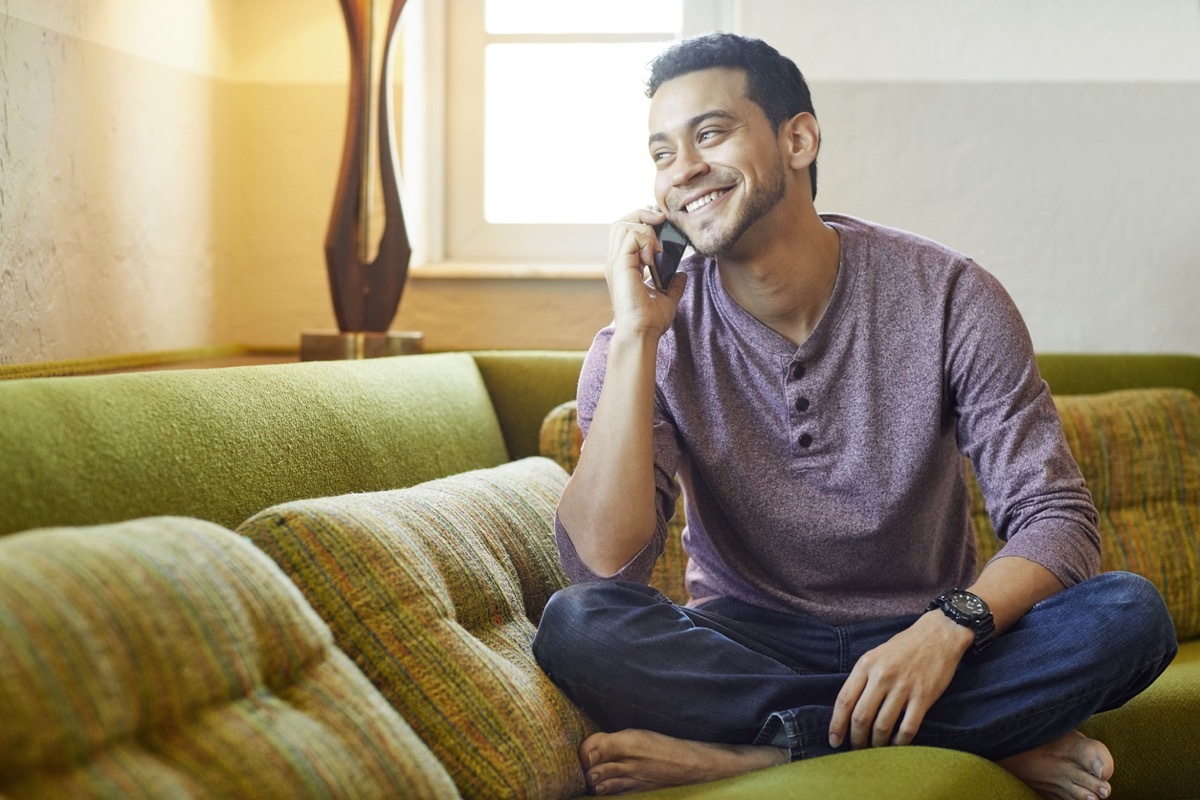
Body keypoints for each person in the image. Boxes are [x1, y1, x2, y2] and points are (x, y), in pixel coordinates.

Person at [531, 32, 1177, 800]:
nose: (684, 172)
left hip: (928, 635)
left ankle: (767, 752)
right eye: (662, 153)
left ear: (797, 137)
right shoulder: (644, 336)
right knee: (578, 625)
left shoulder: (951, 296)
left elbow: (1056, 517)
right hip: (748, 645)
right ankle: (969, 738)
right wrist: (638, 333)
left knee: (1131, 615)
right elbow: (601, 568)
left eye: (710, 133)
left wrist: (946, 631)